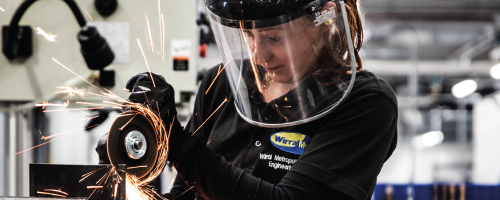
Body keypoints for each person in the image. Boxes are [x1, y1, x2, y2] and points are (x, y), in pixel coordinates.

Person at [125, 0, 398, 199]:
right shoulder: (220, 84)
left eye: (273, 38)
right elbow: (185, 193)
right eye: (248, 35)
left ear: (324, 19)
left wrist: (179, 145)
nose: (258, 56)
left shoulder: (367, 103)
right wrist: (142, 147)